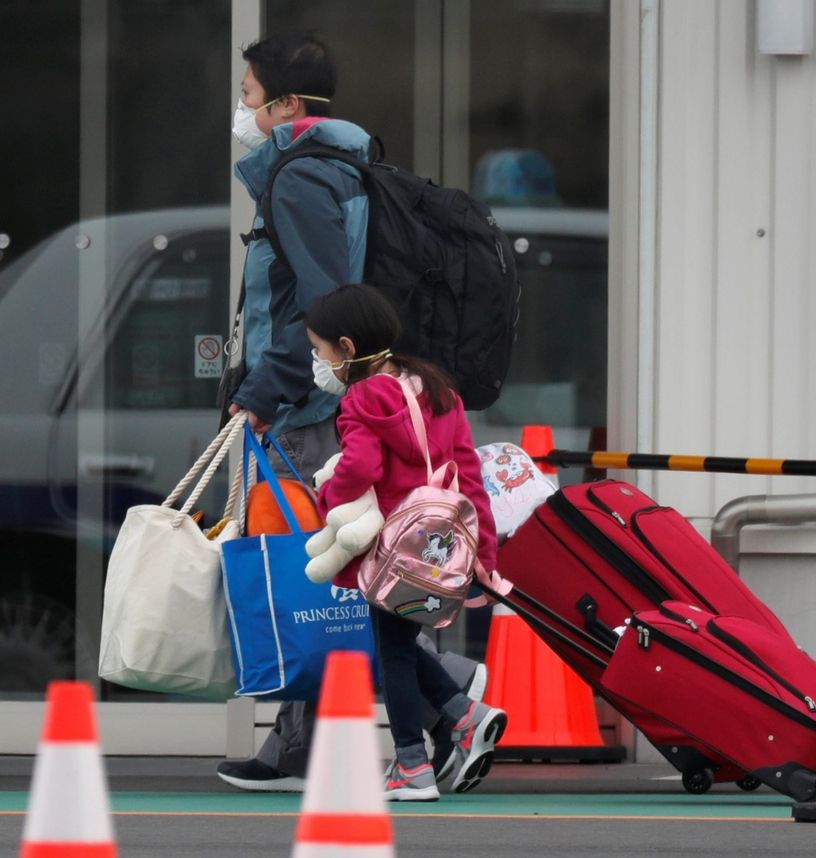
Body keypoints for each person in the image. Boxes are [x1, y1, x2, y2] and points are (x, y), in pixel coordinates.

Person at [216, 30, 484, 794]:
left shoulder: (301, 180)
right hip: (329, 395)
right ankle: (347, 731)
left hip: (307, 404)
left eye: (247, 95)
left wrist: (261, 394)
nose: (242, 109)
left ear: (287, 104)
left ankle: (452, 699)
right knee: (335, 579)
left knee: (317, 576)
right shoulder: (349, 166)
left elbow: (321, 303)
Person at [306, 283, 507, 799]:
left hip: (394, 547)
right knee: (398, 643)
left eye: (320, 350)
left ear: (347, 349)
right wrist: (484, 551)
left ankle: (411, 765)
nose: (318, 361)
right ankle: (463, 715)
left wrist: (328, 493)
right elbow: (469, 469)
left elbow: (361, 466)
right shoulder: (437, 388)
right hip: (439, 543)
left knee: (392, 653)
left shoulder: (362, 398)